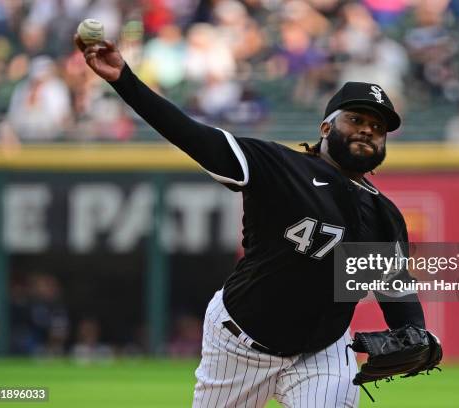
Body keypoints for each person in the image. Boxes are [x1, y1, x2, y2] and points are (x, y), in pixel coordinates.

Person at [75, 35, 428, 407]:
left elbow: (393, 287)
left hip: (322, 351)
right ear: (325, 128)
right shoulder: (279, 166)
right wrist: (124, 80)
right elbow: (192, 135)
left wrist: (415, 331)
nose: (367, 130)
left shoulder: (384, 215)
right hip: (239, 343)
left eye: (378, 127)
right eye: (356, 119)